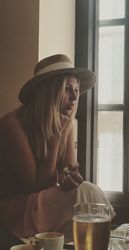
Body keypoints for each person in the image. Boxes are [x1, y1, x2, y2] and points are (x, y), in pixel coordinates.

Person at [0, 54, 115, 242]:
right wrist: (55, 137)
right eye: (67, 89)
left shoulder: (67, 124)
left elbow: (69, 172)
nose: (75, 96)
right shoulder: (12, 125)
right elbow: (37, 187)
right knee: (85, 194)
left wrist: (71, 177)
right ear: (49, 91)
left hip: (43, 204)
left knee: (85, 190)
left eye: (77, 90)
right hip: (13, 210)